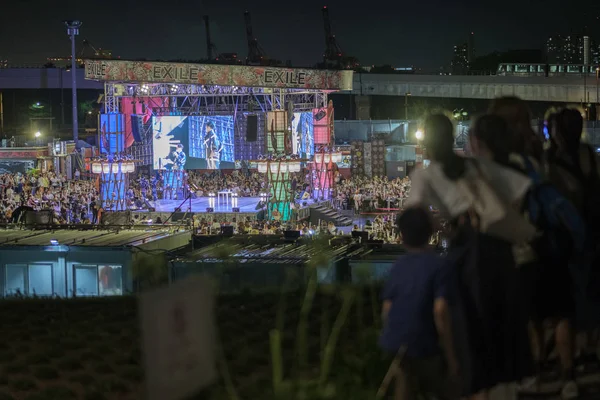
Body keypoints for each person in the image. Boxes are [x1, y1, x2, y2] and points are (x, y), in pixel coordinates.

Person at [406, 113, 534, 400]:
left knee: (469, 322)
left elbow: (413, 214)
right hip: (498, 248)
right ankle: (505, 382)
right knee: (501, 317)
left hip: (467, 251)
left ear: (427, 140)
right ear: (453, 138)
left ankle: (476, 385)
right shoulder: (473, 165)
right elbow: (519, 189)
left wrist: (447, 229)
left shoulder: (425, 174)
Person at [380, 207, 458, 400]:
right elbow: (441, 311)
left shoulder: (398, 266)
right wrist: (451, 355)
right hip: (425, 343)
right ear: (431, 232)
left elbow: (387, 310)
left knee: (404, 388)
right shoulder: (440, 266)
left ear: (402, 235)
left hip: (396, 343)